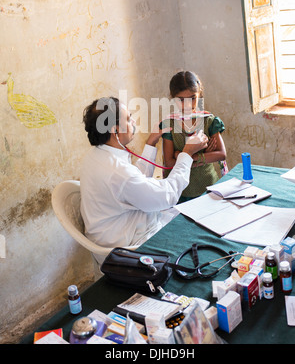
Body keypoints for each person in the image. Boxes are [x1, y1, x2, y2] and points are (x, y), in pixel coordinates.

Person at [79, 96, 208, 264]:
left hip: (116, 229)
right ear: (115, 131)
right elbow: (166, 196)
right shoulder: (118, 172)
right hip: (128, 246)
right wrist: (187, 153)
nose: (133, 122)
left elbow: (133, 184)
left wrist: (150, 143)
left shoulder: (97, 156)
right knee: (195, 228)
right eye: (128, 118)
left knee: (184, 215)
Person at [160, 71, 227, 203]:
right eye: (181, 100)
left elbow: (221, 154)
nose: (188, 105)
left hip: (207, 187)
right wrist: (205, 156)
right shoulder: (169, 125)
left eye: (192, 98)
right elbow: (169, 163)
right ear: (173, 98)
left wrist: (185, 155)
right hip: (179, 190)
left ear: (199, 95)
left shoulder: (209, 121)